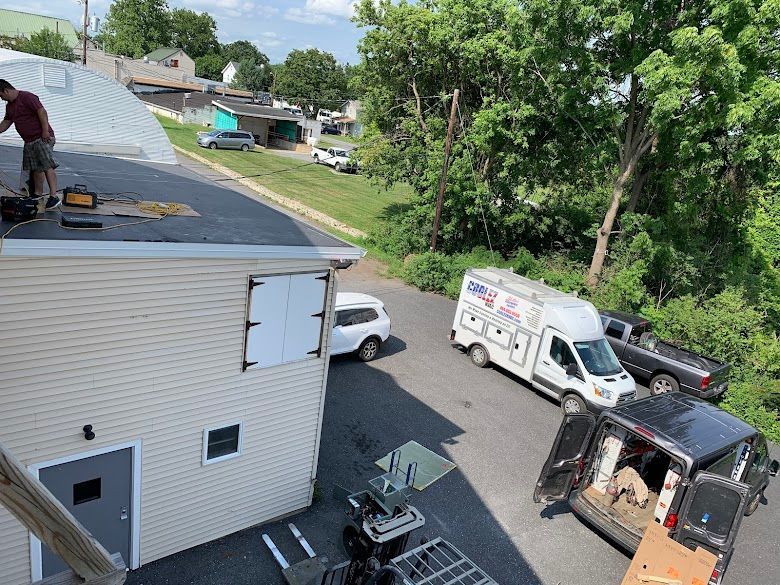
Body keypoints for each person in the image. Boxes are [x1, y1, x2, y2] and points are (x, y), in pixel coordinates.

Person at [0, 79, 59, 211]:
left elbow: (42, 112)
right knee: (36, 168)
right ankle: (37, 195)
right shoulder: (10, 106)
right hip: (29, 141)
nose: (1, 98)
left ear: (6, 90)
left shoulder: (27, 97)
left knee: (47, 165)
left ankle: (54, 196)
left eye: (1, 95)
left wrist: (45, 131)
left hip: (42, 137)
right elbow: (6, 122)